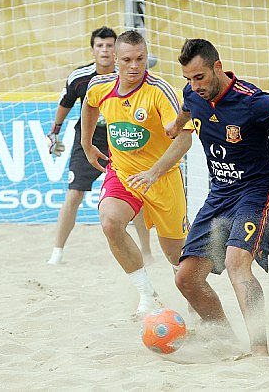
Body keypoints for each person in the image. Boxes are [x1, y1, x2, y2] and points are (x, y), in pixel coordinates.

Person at [166, 39, 269, 356]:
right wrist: (175, 125)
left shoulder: (252, 101)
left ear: (217, 67)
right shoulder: (192, 95)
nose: (195, 86)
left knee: (237, 263)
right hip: (219, 194)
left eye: (200, 77)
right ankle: (224, 339)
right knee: (186, 280)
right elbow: (186, 110)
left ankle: (260, 350)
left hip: (257, 192)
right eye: (188, 79)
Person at [81, 30, 193, 316]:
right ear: (115, 59)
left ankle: (196, 302)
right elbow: (89, 103)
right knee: (109, 223)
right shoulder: (100, 85)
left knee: (176, 257)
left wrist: (154, 173)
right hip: (123, 174)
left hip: (163, 178)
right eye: (128, 60)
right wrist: (87, 143)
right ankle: (147, 295)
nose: (134, 66)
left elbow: (184, 138)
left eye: (140, 59)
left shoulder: (160, 91)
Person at [46, 26, 153, 266]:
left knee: (134, 195)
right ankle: (57, 252)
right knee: (74, 194)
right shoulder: (80, 77)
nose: (104, 50)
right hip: (87, 140)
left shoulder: (127, 74)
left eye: (108, 45)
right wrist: (54, 133)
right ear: (93, 50)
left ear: (115, 52)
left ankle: (146, 251)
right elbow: (65, 104)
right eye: (99, 45)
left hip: (121, 139)